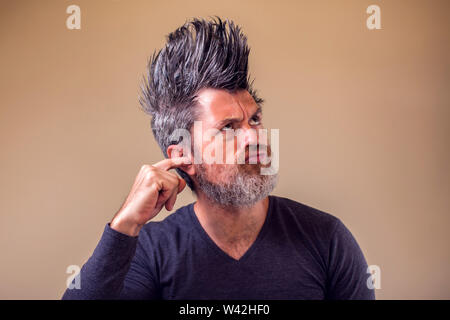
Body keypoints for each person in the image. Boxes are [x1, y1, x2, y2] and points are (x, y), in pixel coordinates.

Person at [62, 16, 375, 300]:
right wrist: (124, 225)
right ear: (184, 156)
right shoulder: (152, 252)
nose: (255, 138)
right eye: (228, 128)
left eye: (255, 120)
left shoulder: (327, 238)